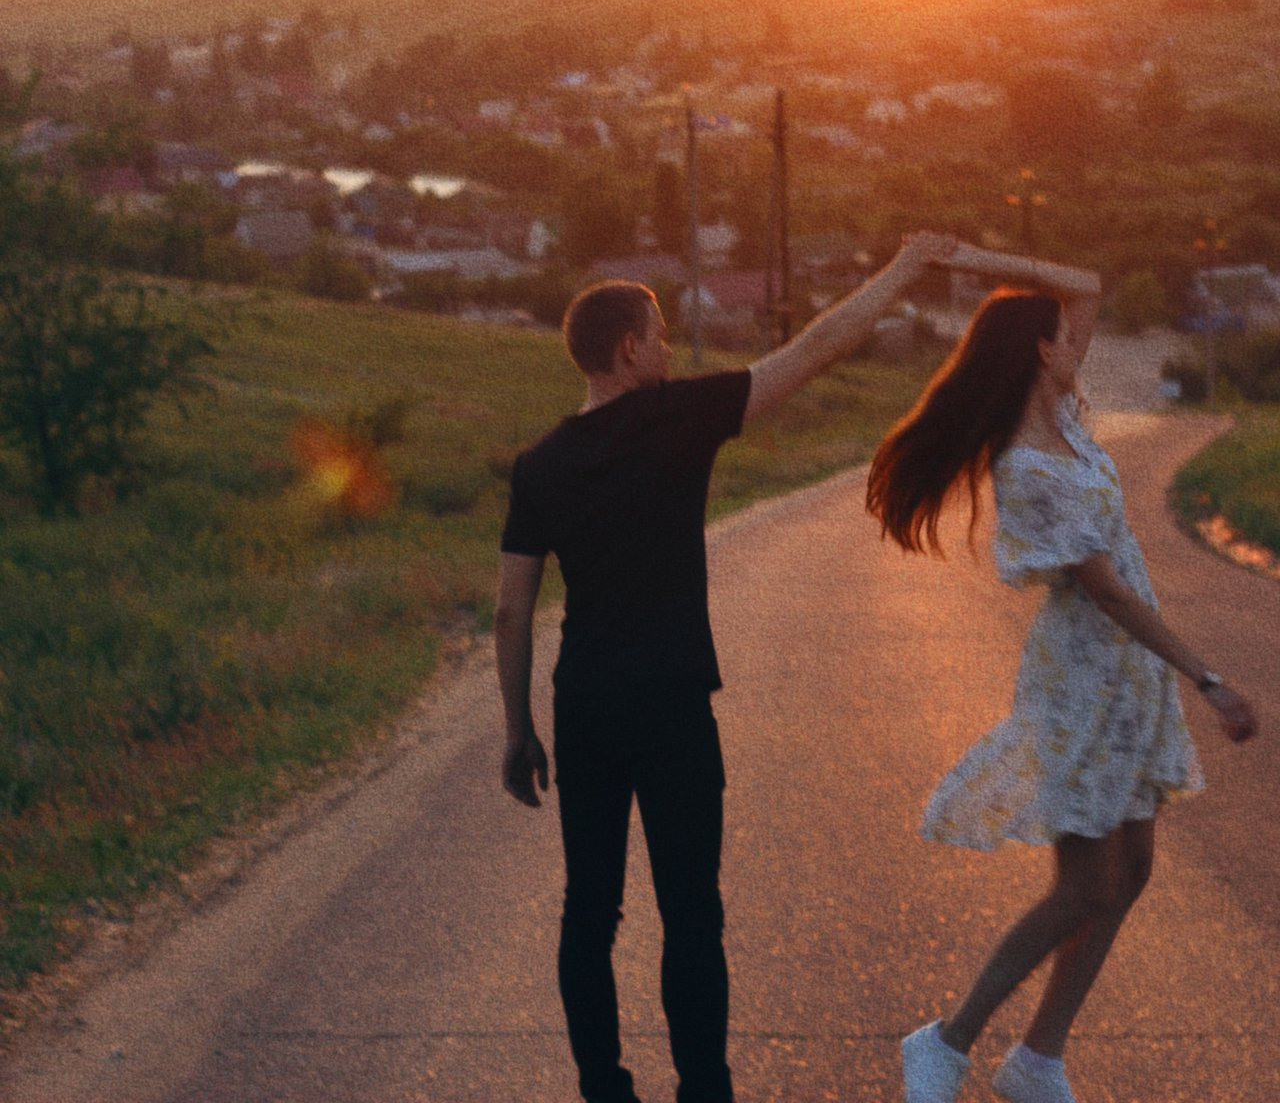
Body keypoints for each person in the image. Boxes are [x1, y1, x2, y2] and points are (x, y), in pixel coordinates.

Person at [495, 233, 954, 1103]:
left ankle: (604, 1087)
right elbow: (817, 348)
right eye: (660, 336)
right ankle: (704, 1089)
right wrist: (900, 268)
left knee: (588, 911)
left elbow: (512, 609)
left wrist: (518, 733)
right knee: (691, 913)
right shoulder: (683, 416)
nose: (669, 351)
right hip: (670, 702)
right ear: (630, 349)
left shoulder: (539, 466)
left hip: (585, 706)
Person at [865, 243, 1259, 1103]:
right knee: (1084, 886)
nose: (1078, 338)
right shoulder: (1026, 461)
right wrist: (1208, 677)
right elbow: (1108, 594)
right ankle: (946, 1039)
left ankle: (1038, 1058)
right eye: (1063, 337)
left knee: (1136, 871)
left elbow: (1086, 278)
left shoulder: (1070, 420)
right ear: (1044, 350)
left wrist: (960, 256)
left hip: (1132, 683)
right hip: (1087, 681)